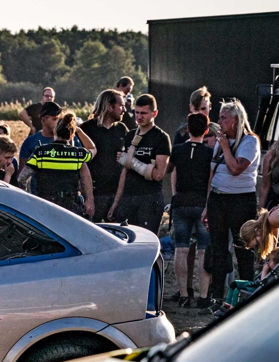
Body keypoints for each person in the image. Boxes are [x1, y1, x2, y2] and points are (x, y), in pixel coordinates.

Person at [204, 99, 261, 305]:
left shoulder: (249, 141)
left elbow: (236, 169)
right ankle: (216, 296)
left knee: (243, 248)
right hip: (218, 199)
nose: (219, 122)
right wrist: (207, 204)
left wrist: (226, 147)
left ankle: (246, 296)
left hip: (241, 200)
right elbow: (213, 172)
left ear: (236, 121)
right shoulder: (220, 141)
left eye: (223, 118)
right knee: (218, 249)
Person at [167, 112, 213, 308]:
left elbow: (171, 172)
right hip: (202, 203)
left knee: (181, 249)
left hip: (181, 203)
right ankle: (203, 296)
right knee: (203, 251)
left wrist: (175, 195)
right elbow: (211, 181)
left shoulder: (177, 150)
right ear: (206, 130)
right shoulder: (210, 153)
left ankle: (184, 294)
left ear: (187, 129)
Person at [108, 94, 171, 234]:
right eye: (136, 112)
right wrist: (116, 203)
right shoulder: (130, 136)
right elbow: (124, 172)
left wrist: (133, 162)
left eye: (143, 113)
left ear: (154, 113)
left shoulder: (161, 137)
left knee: (147, 242)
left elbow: (159, 174)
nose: (139, 116)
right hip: (128, 197)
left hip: (150, 198)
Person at [25, 111, 95, 217]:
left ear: (55, 131)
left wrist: (29, 196)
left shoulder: (41, 152)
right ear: (72, 136)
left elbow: (22, 178)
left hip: (45, 205)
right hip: (70, 207)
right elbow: (93, 149)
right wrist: (79, 132)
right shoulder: (78, 154)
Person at [79, 89, 128, 222]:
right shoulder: (87, 129)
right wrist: (88, 198)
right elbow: (79, 164)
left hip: (117, 195)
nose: (124, 110)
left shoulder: (122, 129)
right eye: (121, 105)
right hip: (94, 195)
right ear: (109, 106)